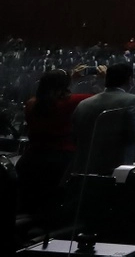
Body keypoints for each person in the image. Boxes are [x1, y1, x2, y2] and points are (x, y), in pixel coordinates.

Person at [18, 69, 96, 223]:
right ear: (64, 86)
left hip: (30, 160)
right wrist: (104, 78)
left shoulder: (31, 104)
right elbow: (100, 98)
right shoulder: (72, 102)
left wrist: (70, 81)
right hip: (60, 162)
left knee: (30, 207)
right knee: (52, 208)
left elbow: (52, 98)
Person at [72, 62, 135, 175]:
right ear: (130, 80)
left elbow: (75, 136)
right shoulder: (133, 100)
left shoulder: (84, 103)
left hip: (84, 170)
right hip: (115, 171)